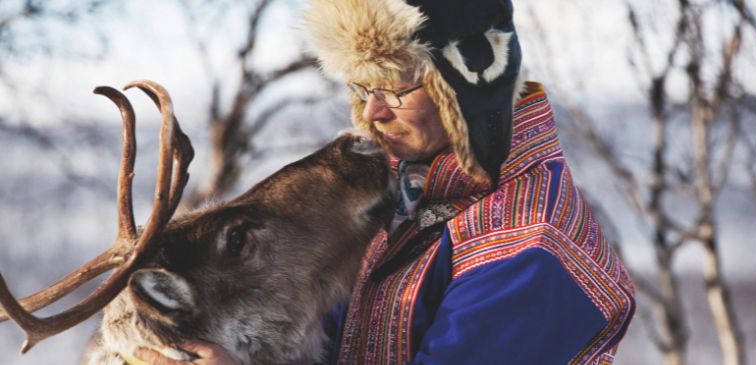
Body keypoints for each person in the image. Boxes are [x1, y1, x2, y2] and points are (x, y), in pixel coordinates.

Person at [137, 0, 636, 363]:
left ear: (466, 85)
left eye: (396, 88)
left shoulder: (531, 247)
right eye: (361, 87)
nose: (373, 112)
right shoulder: (405, 206)